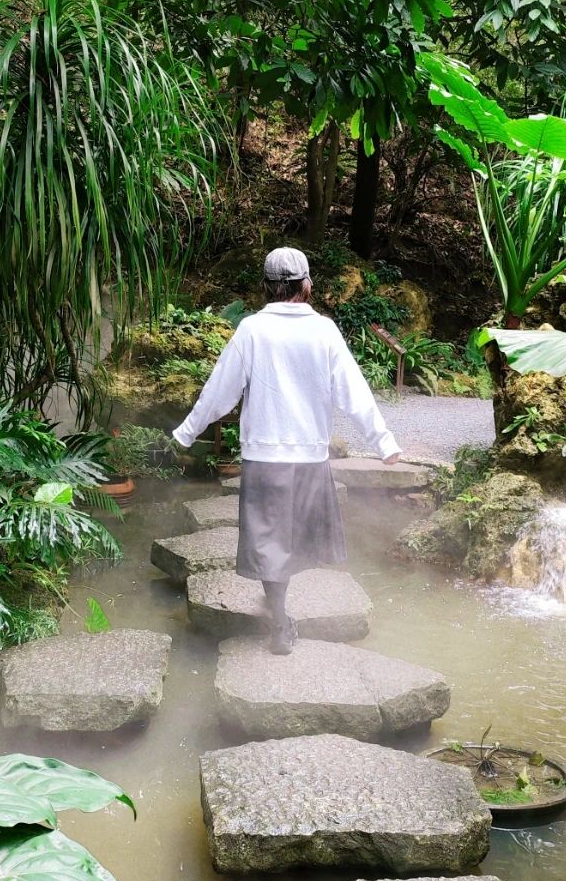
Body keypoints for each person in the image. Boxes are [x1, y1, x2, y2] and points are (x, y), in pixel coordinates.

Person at [172, 246, 401, 654]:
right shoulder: (325, 331)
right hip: (309, 458)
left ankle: (278, 616)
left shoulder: (252, 331)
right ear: (307, 286)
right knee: (293, 539)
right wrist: (384, 442)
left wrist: (187, 433)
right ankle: (279, 613)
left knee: (269, 540)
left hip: (264, 457)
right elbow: (355, 394)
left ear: (267, 288)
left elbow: (219, 394)